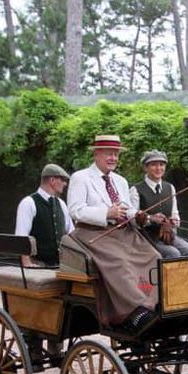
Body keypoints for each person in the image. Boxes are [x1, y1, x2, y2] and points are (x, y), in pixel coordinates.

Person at [66, 134, 160, 334]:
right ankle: (134, 313)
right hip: (92, 233)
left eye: (116, 154)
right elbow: (75, 210)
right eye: (109, 153)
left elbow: (126, 210)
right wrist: (106, 213)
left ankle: (153, 305)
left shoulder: (120, 181)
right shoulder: (81, 178)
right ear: (96, 154)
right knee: (119, 262)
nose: (113, 158)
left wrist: (141, 217)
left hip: (123, 232)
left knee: (154, 256)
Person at [129, 150, 188, 259]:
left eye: (161, 164)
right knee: (173, 253)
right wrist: (150, 219)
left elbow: (175, 215)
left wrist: (172, 222)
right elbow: (132, 220)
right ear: (145, 167)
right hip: (146, 237)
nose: (158, 168)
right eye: (153, 165)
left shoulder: (169, 188)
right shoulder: (136, 190)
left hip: (168, 236)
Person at [14, 163, 73, 267]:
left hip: (60, 265)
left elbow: (71, 234)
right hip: (36, 264)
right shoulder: (28, 202)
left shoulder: (62, 204)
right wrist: (27, 263)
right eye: (62, 180)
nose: (65, 184)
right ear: (52, 180)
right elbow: (21, 237)